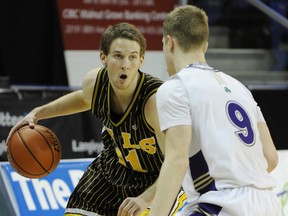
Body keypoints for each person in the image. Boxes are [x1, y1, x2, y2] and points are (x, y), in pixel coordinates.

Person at [6, 22, 185, 216]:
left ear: (141, 60)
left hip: (156, 179)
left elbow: (175, 164)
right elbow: (84, 98)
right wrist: (37, 113)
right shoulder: (95, 83)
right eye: (118, 56)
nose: (125, 64)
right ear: (103, 57)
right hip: (112, 171)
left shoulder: (155, 102)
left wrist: (145, 199)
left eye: (132, 57)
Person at [149, 5, 282, 216]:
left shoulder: (176, 87)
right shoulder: (240, 87)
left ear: (169, 42)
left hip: (225, 205)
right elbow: (271, 158)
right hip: (269, 203)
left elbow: (177, 160)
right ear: (206, 45)